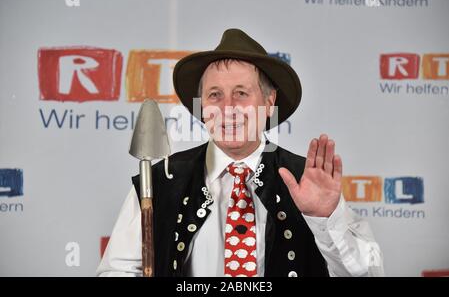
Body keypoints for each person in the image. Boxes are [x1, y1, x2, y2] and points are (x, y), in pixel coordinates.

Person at [97, 28, 384, 277]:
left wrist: (326, 219)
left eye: (241, 93)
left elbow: (365, 272)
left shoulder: (306, 180)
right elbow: (117, 270)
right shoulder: (160, 181)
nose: (227, 108)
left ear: (269, 102)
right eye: (214, 95)